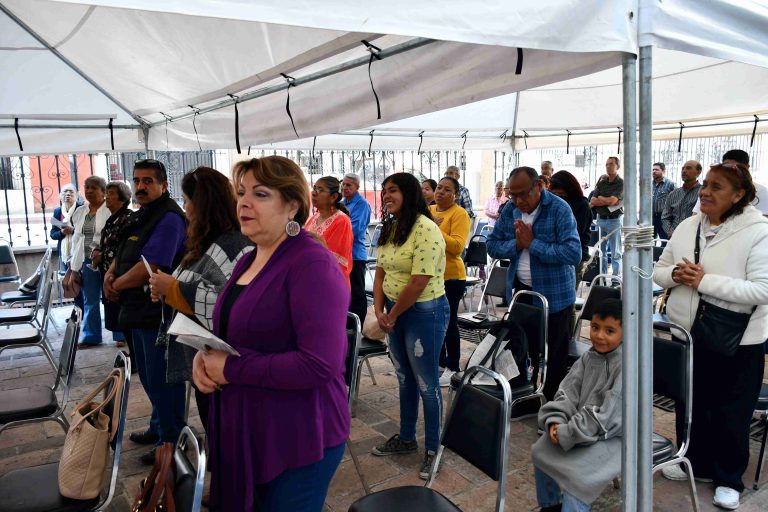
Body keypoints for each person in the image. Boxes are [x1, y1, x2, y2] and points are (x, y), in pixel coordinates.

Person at [191, 156, 350, 511]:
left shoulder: (311, 263)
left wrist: (230, 369)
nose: (244, 203)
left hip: (298, 435)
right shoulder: (249, 257)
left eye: (260, 194)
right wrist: (204, 360)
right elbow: (238, 334)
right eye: (241, 193)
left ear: (292, 205)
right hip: (249, 426)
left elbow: (319, 365)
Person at [654, 163, 768, 510]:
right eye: (705, 185)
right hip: (689, 333)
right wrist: (676, 273)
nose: (705, 192)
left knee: (731, 409)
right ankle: (698, 462)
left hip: (738, 337)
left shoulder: (758, 231)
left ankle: (728, 477)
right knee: (693, 401)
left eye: (716, 187)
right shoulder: (688, 226)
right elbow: (659, 270)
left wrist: (703, 282)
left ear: (739, 196)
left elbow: (762, 290)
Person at [148, 167, 253, 432]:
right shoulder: (207, 240)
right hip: (204, 358)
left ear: (202, 204)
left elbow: (228, 304)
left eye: (186, 201)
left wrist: (173, 289)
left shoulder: (234, 244)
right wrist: (165, 289)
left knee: (227, 433)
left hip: (224, 364)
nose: (184, 208)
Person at [103, 159, 187, 465]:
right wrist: (110, 274)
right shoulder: (142, 215)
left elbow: (151, 266)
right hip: (136, 310)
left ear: (164, 185)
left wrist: (118, 285)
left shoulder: (169, 218)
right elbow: (125, 251)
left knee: (163, 380)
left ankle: (172, 441)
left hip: (157, 314)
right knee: (150, 380)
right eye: (137, 180)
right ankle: (158, 427)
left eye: (148, 181)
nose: (141, 186)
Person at [370, 172, 448, 480]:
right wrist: (379, 310)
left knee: (427, 382)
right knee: (404, 376)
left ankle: (433, 448)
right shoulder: (389, 227)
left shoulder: (426, 229)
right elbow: (379, 272)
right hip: (394, 310)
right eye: (384, 190)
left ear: (409, 193)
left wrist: (394, 314)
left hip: (423, 312)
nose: (386, 195)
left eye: (393, 190)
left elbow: (419, 280)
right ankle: (405, 438)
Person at [487, 167, 581, 400]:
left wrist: (532, 243)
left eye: (523, 194)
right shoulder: (510, 210)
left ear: (539, 186)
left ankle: (550, 403)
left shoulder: (559, 209)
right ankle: (525, 396)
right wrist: (516, 246)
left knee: (554, 353)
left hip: (555, 295)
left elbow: (573, 253)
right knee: (521, 347)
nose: (518, 201)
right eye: (513, 195)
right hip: (522, 293)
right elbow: (492, 244)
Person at [531, 298, 624, 512]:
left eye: (609, 331)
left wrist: (568, 432)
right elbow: (567, 392)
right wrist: (556, 421)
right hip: (579, 429)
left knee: (577, 481)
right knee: (541, 451)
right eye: (595, 327)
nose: (599, 336)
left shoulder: (626, 367)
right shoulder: (587, 358)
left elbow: (607, 417)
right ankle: (551, 505)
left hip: (613, 437)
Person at [429, 176, 470, 387]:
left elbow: (456, 247)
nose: (441, 192)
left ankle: (453, 366)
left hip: (452, 276)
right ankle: (439, 362)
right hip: (431, 275)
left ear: (455, 195)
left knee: (449, 321)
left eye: (447, 190)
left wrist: (434, 229)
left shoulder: (459, 213)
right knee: (435, 322)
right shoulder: (431, 210)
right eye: (439, 188)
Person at [69, 176, 110, 347]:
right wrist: (74, 266)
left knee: (112, 297)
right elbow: (76, 238)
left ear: (103, 191)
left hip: (107, 260)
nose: (89, 191)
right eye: (87, 187)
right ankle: (91, 336)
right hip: (86, 260)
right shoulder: (80, 211)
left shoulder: (110, 209)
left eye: (94, 188)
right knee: (90, 299)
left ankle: (120, 335)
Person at [94, 181, 133, 350]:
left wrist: (102, 256)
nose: (106, 197)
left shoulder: (127, 218)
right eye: (107, 193)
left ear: (122, 198)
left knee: (126, 319)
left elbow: (124, 248)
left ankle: (134, 356)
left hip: (120, 275)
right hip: (107, 273)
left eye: (111, 193)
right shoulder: (111, 218)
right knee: (116, 317)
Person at [306, 176, 353, 287]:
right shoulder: (314, 218)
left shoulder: (342, 221)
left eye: (320, 190)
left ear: (333, 197)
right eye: (314, 188)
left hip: (331, 284)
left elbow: (337, 260)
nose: (314, 193)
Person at [549, 170, 592, 286]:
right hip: (555, 253)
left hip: (574, 255)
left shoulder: (582, 204)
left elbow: (576, 233)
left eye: (560, 194)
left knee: (567, 295)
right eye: (553, 194)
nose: (557, 198)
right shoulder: (552, 203)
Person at [342, 173, 373, 326]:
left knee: (357, 293)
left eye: (349, 185)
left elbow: (354, 229)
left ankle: (358, 327)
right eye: (344, 184)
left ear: (357, 187)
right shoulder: (341, 203)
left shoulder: (361, 204)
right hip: (341, 254)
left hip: (355, 255)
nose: (345, 187)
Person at [589, 157, 624, 275]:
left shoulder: (621, 183)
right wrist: (606, 200)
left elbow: (613, 201)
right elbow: (593, 200)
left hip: (614, 220)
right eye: (606, 164)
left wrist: (602, 199)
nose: (608, 166)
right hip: (601, 220)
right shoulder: (602, 182)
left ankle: (615, 278)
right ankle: (601, 276)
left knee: (616, 252)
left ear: (618, 167)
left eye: (611, 164)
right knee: (600, 251)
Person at [661, 160, 702, 238]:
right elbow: (665, 216)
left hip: (694, 236)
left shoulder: (703, 193)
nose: (684, 171)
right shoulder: (673, 194)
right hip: (673, 236)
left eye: (689, 168)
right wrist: (669, 231)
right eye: (683, 168)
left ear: (698, 172)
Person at [50, 183, 82, 272]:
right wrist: (62, 232)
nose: (68, 194)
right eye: (65, 192)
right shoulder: (57, 211)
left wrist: (73, 230)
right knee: (67, 280)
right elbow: (53, 234)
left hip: (80, 252)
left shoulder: (82, 209)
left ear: (76, 195)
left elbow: (87, 231)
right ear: (60, 195)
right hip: (64, 253)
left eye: (71, 192)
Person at [652, 162, 675, 239]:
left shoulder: (671, 184)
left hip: (663, 218)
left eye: (657, 170)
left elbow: (676, 202)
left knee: (665, 241)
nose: (654, 171)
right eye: (653, 170)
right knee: (648, 241)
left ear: (663, 171)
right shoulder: (649, 184)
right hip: (650, 217)